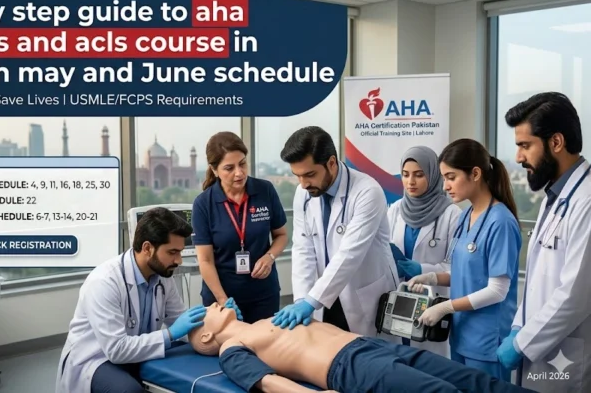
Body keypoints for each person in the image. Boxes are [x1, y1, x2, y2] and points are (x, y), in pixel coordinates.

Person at [188, 302, 536, 392]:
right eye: (205, 316)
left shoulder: (265, 320)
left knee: (479, 382)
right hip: (348, 368)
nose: (211, 307)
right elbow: (260, 379)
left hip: (370, 346)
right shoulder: (230, 346)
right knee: (442, 392)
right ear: (206, 337)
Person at [55, 208, 209, 393]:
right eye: (172, 252)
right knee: (129, 391)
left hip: (136, 352)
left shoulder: (162, 278)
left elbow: (180, 321)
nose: (179, 260)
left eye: (180, 252)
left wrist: (215, 323)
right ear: (147, 248)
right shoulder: (104, 281)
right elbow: (117, 349)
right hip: (96, 358)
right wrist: (169, 334)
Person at [498, 92, 591, 392]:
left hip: (566, 354)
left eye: (525, 146)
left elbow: (575, 293)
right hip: (542, 346)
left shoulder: (586, 201)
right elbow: (539, 277)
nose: (518, 157)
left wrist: (522, 342)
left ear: (556, 143)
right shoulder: (556, 196)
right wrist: (518, 324)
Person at [407, 138, 521, 381]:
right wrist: (431, 277)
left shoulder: (500, 222)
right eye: (444, 177)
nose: (445, 185)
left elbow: (497, 290)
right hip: (461, 335)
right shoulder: (466, 215)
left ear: (475, 173)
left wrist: (445, 306)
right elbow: (465, 273)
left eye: (451, 177)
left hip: (487, 342)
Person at [275, 126, 398, 335]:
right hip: (324, 298)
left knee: (371, 360)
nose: (303, 184)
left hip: (364, 295)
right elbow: (303, 249)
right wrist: (301, 299)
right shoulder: (303, 193)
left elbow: (349, 254)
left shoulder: (367, 191)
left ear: (331, 163)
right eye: (297, 176)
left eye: (310, 174)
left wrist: (311, 302)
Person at [192, 131, 288, 323]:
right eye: (229, 168)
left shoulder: (265, 190)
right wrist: (223, 301)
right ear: (214, 169)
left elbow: (282, 235)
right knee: (228, 350)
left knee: (265, 350)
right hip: (222, 297)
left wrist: (270, 257)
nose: (239, 172)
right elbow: (205, 261)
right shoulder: (204, 204)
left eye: (242, 163)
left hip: (263, 294)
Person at [387, 146, 462, 356]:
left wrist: (423, 270)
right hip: (399, 297)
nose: (411, 182)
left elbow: (458, 266)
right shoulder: (395, 210)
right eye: (405, 175)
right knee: (399, 359)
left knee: (429, 362)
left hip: (432, 301)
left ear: (433, 175)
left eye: (419, 175)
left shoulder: (452, 214)